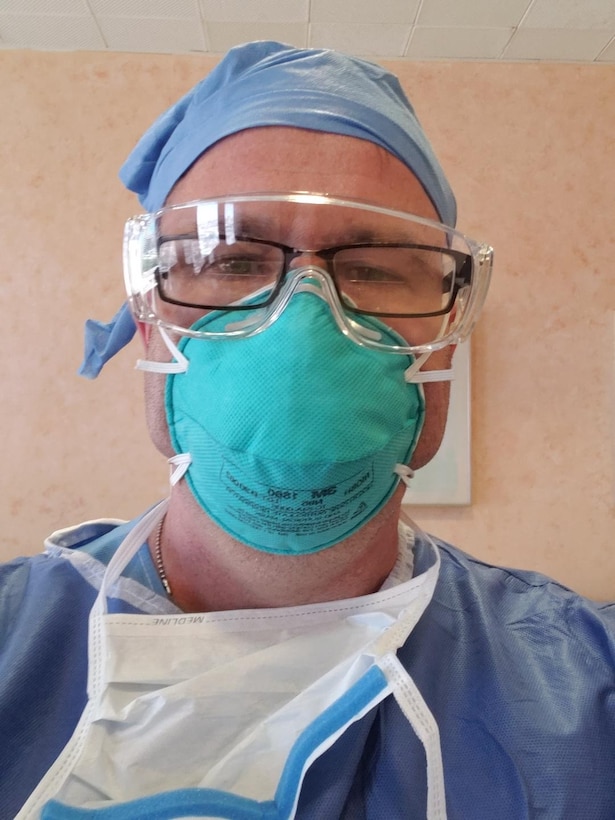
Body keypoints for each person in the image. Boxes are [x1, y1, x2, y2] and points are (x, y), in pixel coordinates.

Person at [2, 41, 613, 820]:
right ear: (149, 327)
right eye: (227, 259)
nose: (301, 327)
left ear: (447, 339)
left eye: (375, 264)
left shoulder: (586, 689)